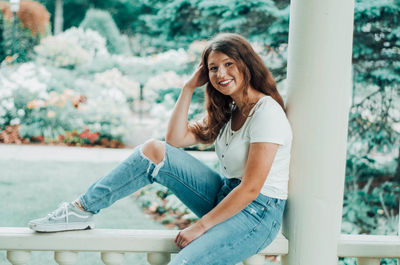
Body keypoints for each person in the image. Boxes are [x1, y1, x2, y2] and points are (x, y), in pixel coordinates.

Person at [28, 33, 292, 265]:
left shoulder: (266, 112)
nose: (221, 74)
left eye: (229, 64)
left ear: (247, 64)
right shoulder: (231, 109)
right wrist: (188, 87)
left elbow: (251, 187)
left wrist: (199, 227)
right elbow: (174, 139)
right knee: (155, 150)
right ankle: (80, 210)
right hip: (226, 195)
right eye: (213, 68)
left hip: (257, 213)